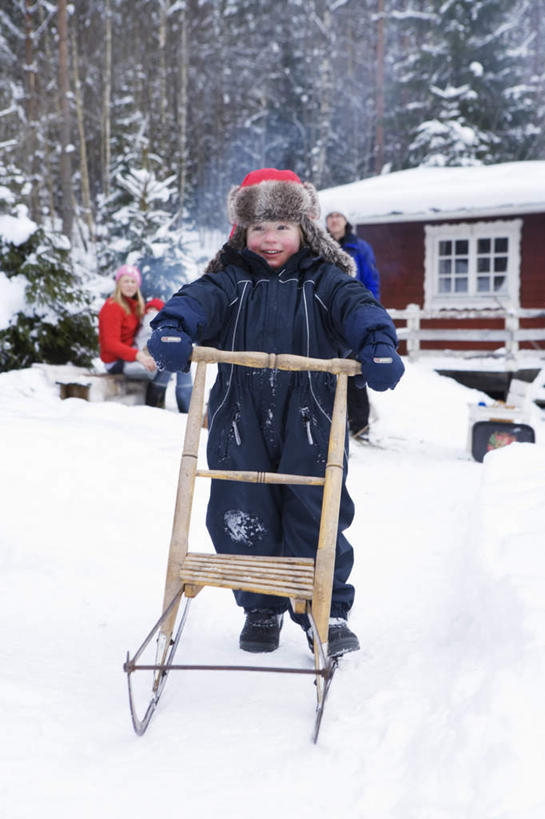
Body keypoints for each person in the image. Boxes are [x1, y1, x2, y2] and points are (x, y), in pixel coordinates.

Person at [147, 168, 404, 657]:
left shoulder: (324, 281)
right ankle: (260, 605)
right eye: (259, 228)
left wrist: (378, 342)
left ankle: (323, 608)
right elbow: (195, 299)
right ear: (242, 232)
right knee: (242, 511)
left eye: (282, 227)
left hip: (311, 416)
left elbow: (359, 305)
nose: (270, 239)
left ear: (304, 228)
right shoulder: (229, 282)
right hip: (237, 414)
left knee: (316, 510)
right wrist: (174, 327)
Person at [326, 211, 380, 441]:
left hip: (352, 315)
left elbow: (371, 282)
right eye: (330, 216)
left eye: (339, 215)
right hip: (326, 315)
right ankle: (328, 424)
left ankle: (359, 427)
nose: (334, 220)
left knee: (355, 371)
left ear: (347, 220)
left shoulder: (361, 248)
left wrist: (370, 312)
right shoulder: (320, 246)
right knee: (325, 369)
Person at [98, 264, 171, 407]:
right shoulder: (112, 306)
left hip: (129, 356)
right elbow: (110, 344)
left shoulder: (133, 306)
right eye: (126, 281)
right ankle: (153, 404)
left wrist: (154, 305)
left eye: (133, 282)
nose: (130, 285)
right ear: (118, 284)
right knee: (166, 363)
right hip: (116, 362)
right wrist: (139, 356)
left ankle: (163, 402)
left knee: (173, 356)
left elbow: (149, 316)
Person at [135, 297, 193, 412]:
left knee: (176, 357)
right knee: (179, 360)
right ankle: (186, 408)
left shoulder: (147, 317)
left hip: (146, 353)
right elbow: (149, 338)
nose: (152, 311)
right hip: (144, 356)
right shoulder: (152, 317)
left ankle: (157, 403)